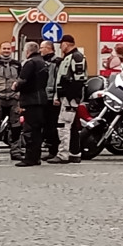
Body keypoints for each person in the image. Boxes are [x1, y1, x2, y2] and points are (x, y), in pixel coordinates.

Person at [49, 35, 87, 164]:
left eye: (61, 44)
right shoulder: (68, 57)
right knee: (72, 127)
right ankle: (74, 153)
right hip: (66, 97)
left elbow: (79, 79)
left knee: (63, 125)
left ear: (66, 44)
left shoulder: (76, 57)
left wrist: (72, 97)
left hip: (70, 98)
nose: (60, 47)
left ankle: (63, 154)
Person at [14, 41, 48, 167]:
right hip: (41, 99)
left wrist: (15, 86)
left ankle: (29, 158)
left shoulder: (30, 63)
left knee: (29, 130)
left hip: (30, 100)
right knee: (38, 130)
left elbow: (23, 81)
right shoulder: (43, 62)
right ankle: (36, 156)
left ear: (27, 51)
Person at [40, 40, 62, 160]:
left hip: (52, 97)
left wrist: (56, 96)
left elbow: (57, 80)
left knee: (53, 125)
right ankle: (50, 149)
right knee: (46, 125)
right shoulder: (43, 61)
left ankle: (54, 150)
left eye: (42, 48)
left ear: (49, 48)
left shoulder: (57, 62)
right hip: (44, 97)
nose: (40, 50)